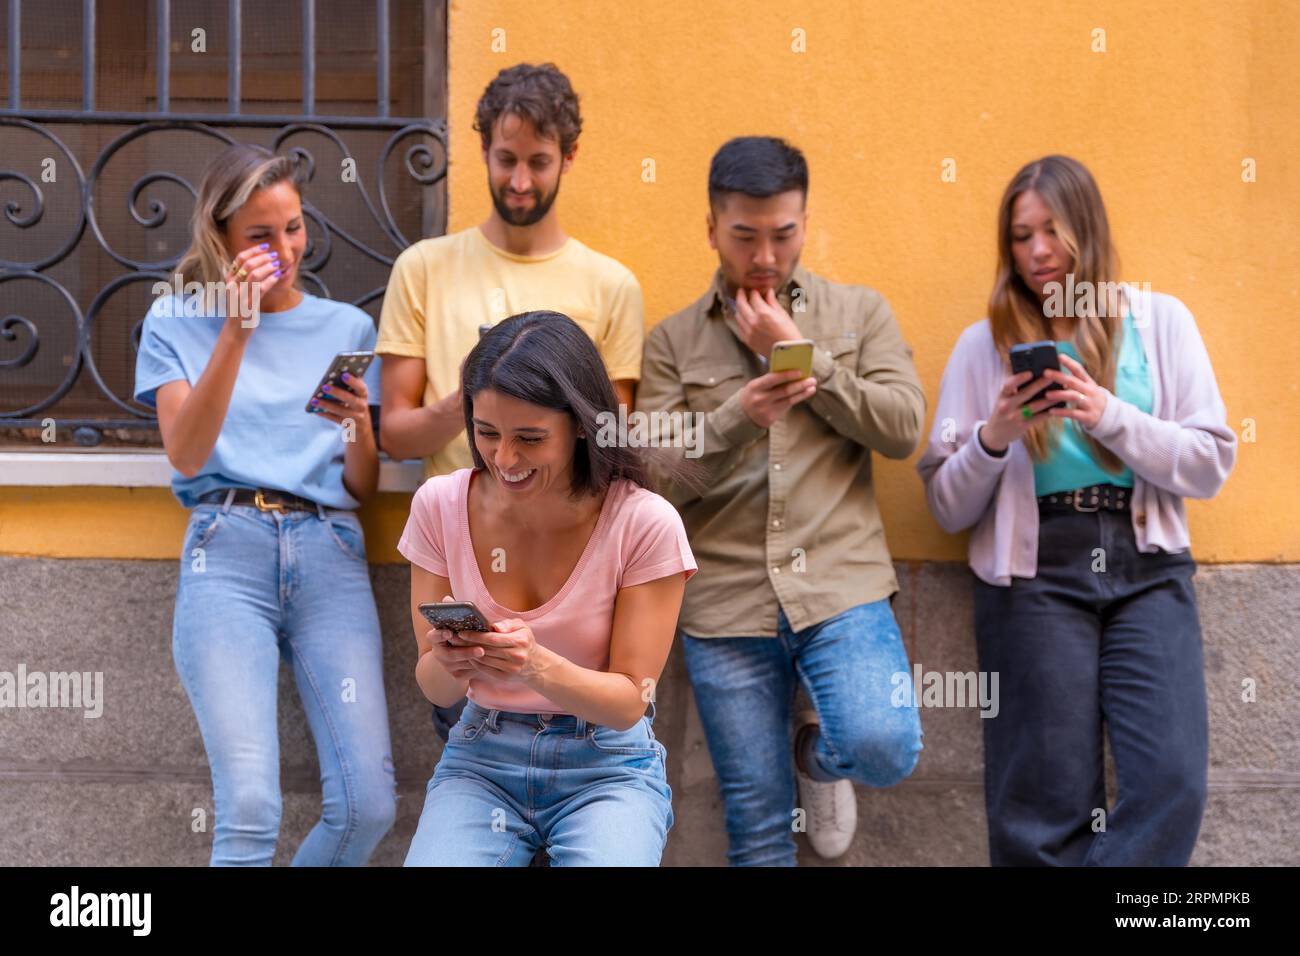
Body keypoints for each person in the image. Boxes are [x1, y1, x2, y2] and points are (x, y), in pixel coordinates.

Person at [916, 154, 1237, 866]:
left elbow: (1211, 461)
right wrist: (993, 438)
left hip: (1147, 564)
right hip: (1035, 574)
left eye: (1050, 231)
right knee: (1042, 800)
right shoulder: (984, 347)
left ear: (1085, 230)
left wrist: (1107, 414)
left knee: (1173, 780)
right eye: (1020, 237)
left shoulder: (1161, 323)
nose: (1036, 252)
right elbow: (945, 502)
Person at [637, 136, 926, 866]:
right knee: (759, 829)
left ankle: (818, 757)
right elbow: (653, 477)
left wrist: (806, 357)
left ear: (804, 223)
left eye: (784, 234)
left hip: (840, 586)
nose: (765, 254)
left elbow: (902, 429)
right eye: (744, 236)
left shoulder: (860, 312)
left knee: (881, 746)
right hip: (725, 601)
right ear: (711, 229)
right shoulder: (671, 340)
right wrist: (741, 415)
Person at [133, 143, 396, 866]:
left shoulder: (347, 329)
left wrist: (361, 429)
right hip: (228, 547)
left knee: (368, 807)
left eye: (294, 227)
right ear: (220, 239)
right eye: (260, 235)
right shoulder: (176, 321)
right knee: (250, 808)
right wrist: (236, 331)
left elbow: (360, 487)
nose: (285, 250)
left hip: (330, 551)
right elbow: (186, 453)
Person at [376, 61, 647, 741]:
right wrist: (466, 400)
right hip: (463, 562)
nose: (520, 181)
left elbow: (608, 444)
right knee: (474, 767)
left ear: (569, 158)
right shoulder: (424, 268)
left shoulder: (611, 286)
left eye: (538, 161)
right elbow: (395, 435)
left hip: (573, 575)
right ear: (482, 151)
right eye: (504, 159)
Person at [399, 311, 696, 866]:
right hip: (481, 757)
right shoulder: (438, 505)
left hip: (606, 766)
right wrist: (451, 660)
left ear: (582, 423)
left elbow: (631, 701)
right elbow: (436, 690)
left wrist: (534, 664)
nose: (504, 458)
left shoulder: (643, 522)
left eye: (530, 438)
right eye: (486, 433)